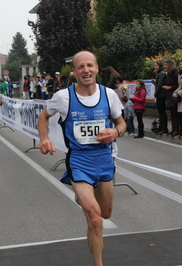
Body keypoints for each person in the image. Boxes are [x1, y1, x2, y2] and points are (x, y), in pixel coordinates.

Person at [38, 51, 125, 266]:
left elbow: (122, 124)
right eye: (80, 67)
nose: (85, 70)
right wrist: (44, 138)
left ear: (96, 68)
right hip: (78, 160)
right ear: (75, 72)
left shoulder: (109, 95)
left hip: (104, 159)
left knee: (105, 213)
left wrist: (115, 133)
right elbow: (43, 117)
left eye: (89, 65)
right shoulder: (63, 97)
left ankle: (86, 199)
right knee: (95, 219)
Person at [162, 59, 179, 136]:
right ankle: (173, 129)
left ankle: (177, 129)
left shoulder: (175, 73)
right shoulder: (168, 73)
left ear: (170, 65)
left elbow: (178, 85)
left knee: (175, 113)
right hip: (169, 95)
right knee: (171, 113)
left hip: (174, 94)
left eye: (166, 65)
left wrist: (170, 87)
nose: (165, 66)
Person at [153, 60, 168, 135]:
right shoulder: (160, 73)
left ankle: (164, 128)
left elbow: (160, 85)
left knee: (162, 111)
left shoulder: (161, 73)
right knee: (160, 112)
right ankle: (161, 127)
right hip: (160, 94)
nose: (155, 67)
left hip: (161, 95)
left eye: (156, 65)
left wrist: (156, 93)